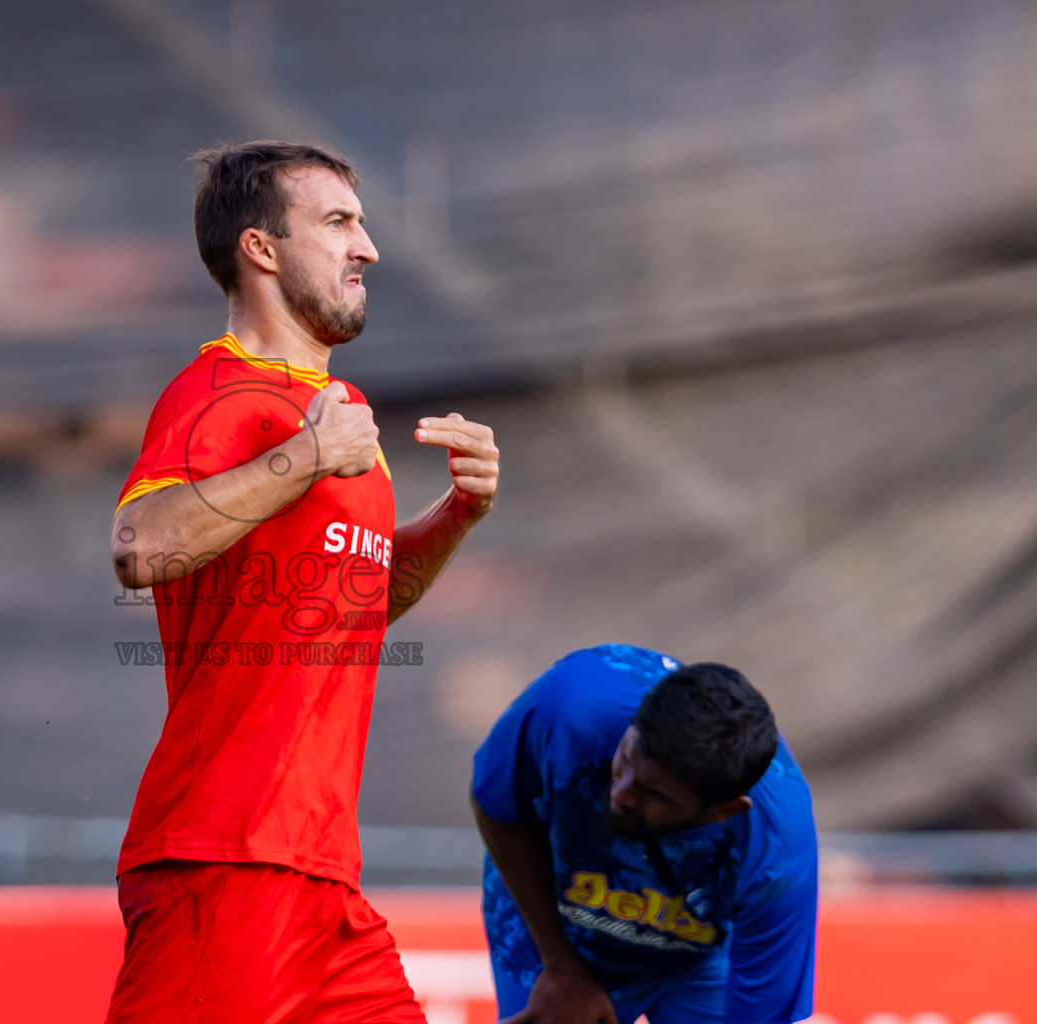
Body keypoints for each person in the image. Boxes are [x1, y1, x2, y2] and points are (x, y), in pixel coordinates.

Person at [106, 140, 500, 1024]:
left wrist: (453, 520)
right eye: (338, 223)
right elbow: (139, 548)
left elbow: (364, 600)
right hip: (225, 859)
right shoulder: (215, 393)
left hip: (322, 879)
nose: (368, 248)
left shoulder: (339, 418)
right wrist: (307, 455)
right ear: (262, 249)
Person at [470, 645, 817, 1024]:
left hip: (695, 951)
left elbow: (762, 1016)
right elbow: (499, 808)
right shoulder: (567, 706)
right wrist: (560, 966)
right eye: (627, 758)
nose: (620, 794)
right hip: (553, 917)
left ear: (725, 810)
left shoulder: (778, 851)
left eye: (656, 795)